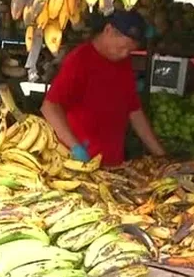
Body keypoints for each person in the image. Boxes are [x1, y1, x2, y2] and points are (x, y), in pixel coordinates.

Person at [41, 10, 165, 167]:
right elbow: (49, 107)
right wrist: (75, 148)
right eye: (123, 47)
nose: (125, 54)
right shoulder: (80, 61)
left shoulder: (124, 63)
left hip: (113, 164)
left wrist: (161, 156)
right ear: (108, 30)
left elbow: (134, 110)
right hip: (78, 164)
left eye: (130, 50)